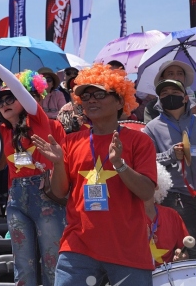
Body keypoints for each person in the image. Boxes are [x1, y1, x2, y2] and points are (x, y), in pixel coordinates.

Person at [32, 63, 157, 285]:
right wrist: (59, 163)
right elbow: (60, 192)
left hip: (127, 249)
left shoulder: (140, 140)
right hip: (78, 247)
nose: (91, 100)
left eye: (99, 94)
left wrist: (120, 165)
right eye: (86, 96)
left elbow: (147, 192)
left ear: (120, 101)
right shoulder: (70, 141)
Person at [0, 46, 66, 286]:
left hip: (47, 197)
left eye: (9, 98)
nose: (4, 104)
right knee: (23, 268)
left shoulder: (39, 120)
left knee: (52, 263)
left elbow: (17, 88)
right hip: (16, 199)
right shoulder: (2, 131)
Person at [143, 77, 196, 255]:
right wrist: (170, 155)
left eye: (175, 92)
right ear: (158, 100)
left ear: (185, 97)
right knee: (189, 248)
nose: (169, 96)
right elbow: (146, 160)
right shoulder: (151, 128)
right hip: (176, 197)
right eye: (164, 93)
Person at [147, 162, 189, 266]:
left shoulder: (172, 215)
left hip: (167, 277)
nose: (141, 185)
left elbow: (184, 253)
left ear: (157, 185)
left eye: (147, 181)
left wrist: (181, 257)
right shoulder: (126, 217)